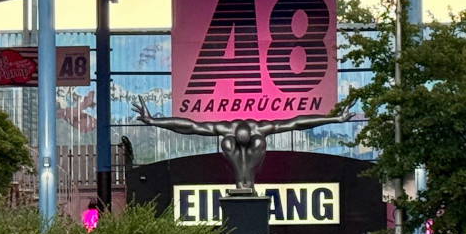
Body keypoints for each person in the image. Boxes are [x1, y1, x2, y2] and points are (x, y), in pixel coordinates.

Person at [134, 96, 351, 191]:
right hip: (236, 161)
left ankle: (248, 181)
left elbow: (296, 123)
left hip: (256, 161)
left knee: (258, 142)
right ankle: (241, 182)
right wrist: (154, 121)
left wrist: (335, 119)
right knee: (226, 143)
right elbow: (190, 126)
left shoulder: (260, 130)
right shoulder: (227, 131)